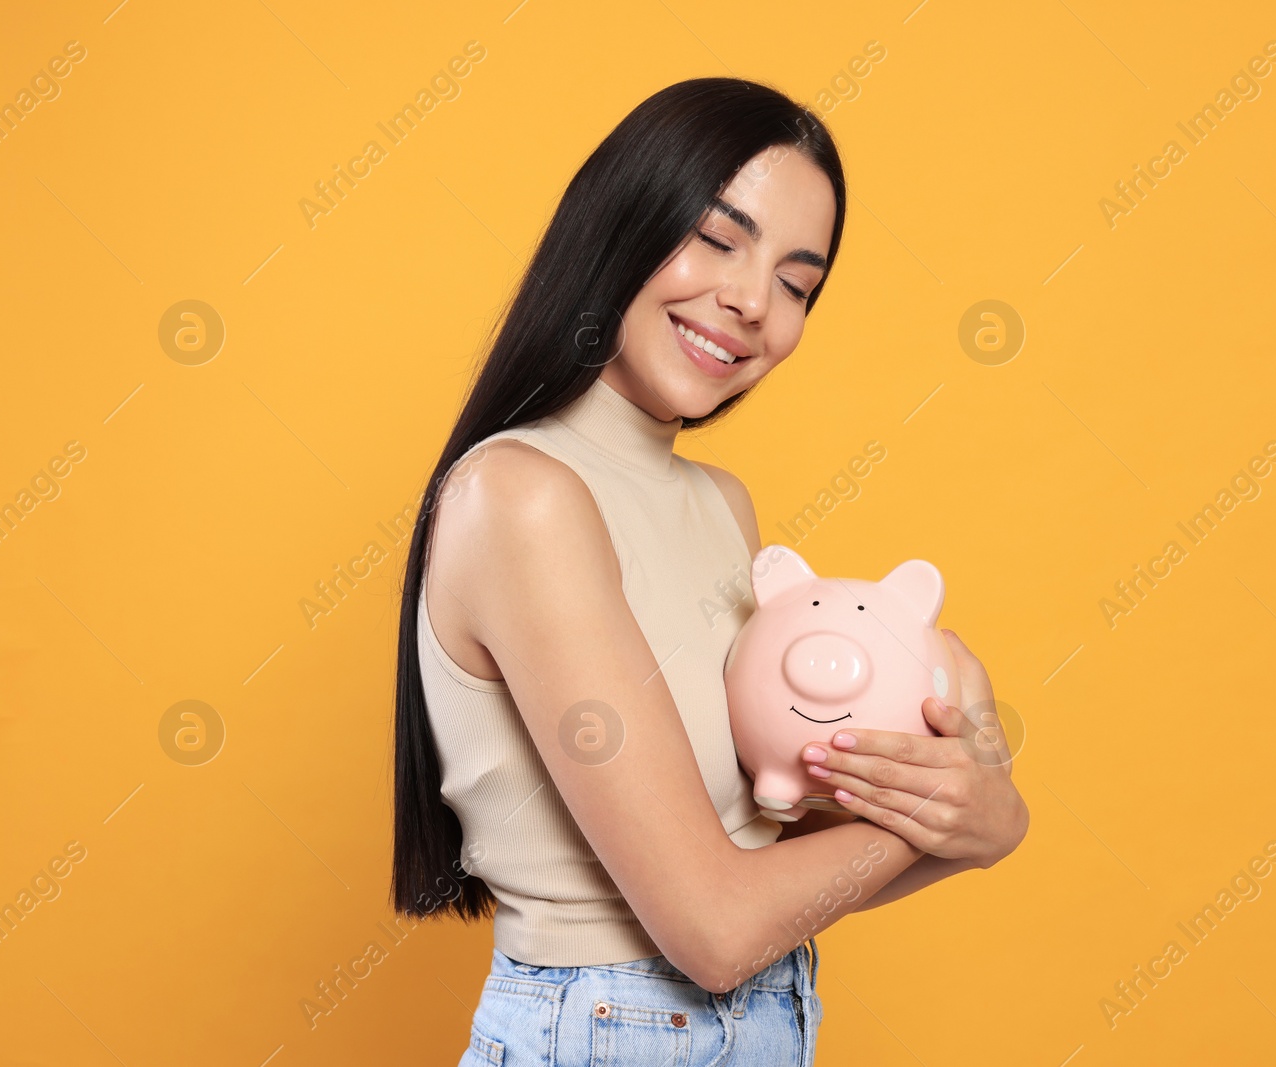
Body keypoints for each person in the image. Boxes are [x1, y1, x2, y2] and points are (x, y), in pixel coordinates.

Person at [390, 76, 1029, 1066]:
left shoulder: (719, 505)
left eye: (796, 281)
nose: (748, 300)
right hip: (604, 1032)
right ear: (618, 220)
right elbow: (714, 929)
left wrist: (944, 775)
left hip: (761, 1026)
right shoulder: (520, 495)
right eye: (719, 238)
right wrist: (967, 816)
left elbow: (770, 877)